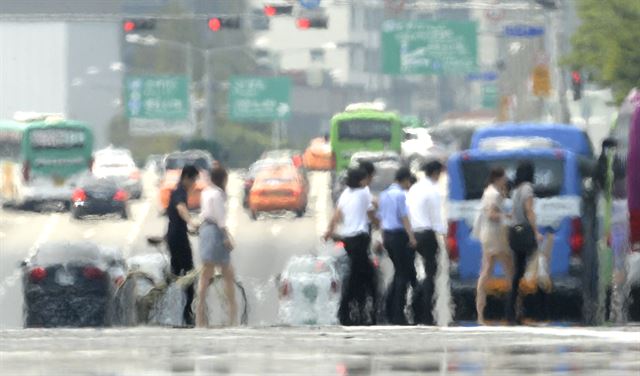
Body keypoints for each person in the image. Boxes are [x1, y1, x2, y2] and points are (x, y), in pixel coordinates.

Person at [324, 167, 378, 325]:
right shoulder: (363, 193)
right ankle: (349, 312)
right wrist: (379, 224)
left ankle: (358, 311)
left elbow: (336, 215)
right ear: (361, 180)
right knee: (363, 279)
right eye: (367, 178)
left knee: (359, 276)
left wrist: (329, 231)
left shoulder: (345, 193)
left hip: (348, 239)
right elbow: (371, 212)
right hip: (359, 239)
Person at [196, 165, 237, 327]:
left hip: (205, 230)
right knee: (228, 273)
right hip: (215, 232)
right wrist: (227, 237)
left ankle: (199, 312)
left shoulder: (205, 192)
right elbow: (220, 218)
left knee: (205, 274)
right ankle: (232, 312)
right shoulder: (218, 194)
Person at [407, 160, 446, 325]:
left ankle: (413, 308)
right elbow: (436, 217)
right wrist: (444, 234)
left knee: (416, 272)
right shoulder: (433, 190)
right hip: (427, 234)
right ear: (436, 173)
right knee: (431, 274)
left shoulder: (414, 188)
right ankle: (426, 313)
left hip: (413, 233)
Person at [473, 167, 514, 325]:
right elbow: (491, 214)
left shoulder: (492, 191)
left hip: (488, 236)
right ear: (498, 177)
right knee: (510, 271)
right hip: (496, 236)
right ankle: (513, 310)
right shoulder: (493, 194)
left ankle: (480, 313)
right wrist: (507, 215)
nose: (506, 179)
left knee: (486, 272)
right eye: (504, 176)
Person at [378, 167, 418, 325]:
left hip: (388, 236)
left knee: (398, 272)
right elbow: (404, 217)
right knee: (403, 274)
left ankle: (388, 307)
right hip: (399, 236)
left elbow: (381, 218)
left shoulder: (384, 194)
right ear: (405, 179)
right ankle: (397, 313)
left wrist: (382, 238)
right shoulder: (400, 194)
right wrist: (412, 237)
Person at [507, 161, 541, 324]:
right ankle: (528, 305)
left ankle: (513, 309)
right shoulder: (527, 188)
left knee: (517, 272)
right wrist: (536, 232)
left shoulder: (515, 190)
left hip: (514, 232)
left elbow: (513, 213)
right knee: (535, 265)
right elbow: (529, 211)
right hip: (525, 232)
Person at [166, 164, 199, 326]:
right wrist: (191, 222)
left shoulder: (178, 191)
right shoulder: (179, 192)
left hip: (174, 237)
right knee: (190, 276)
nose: (194, 185)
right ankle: (186, 313)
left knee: (177, 276)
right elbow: (180, 209)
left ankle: (173, 311)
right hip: (178, 239)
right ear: (186, 178)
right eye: (193, 181)